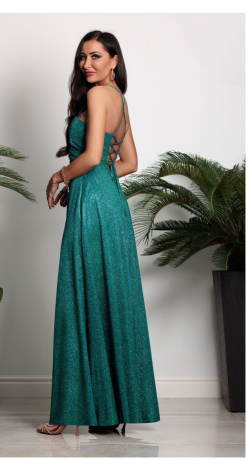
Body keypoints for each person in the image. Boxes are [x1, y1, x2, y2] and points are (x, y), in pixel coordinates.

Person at [38, 30, 160, 436]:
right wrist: (89, 180)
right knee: (108, 296)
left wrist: (61, 175)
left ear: (114, 60)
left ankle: (68, 411)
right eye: (82, 57)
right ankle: (107, 412)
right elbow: (128, 162)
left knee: (80, 295)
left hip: (92, 207)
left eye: (95, 56)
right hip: (111, 203)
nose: (86, 64)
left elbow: (91, 156)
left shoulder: (96, 96)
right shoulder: (118, 99)